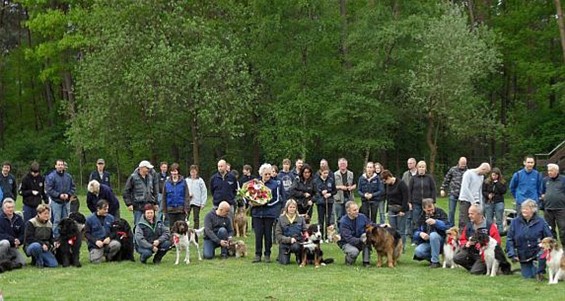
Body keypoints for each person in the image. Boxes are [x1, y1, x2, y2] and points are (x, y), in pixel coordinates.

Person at [506, 199, 552, 279]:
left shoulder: (541, 221)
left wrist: (545, 249)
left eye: (526, 209)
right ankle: (534, 270)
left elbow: (549, 238)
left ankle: (540, 270)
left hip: (538, 251)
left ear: (533, 210)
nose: (523, 210)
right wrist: (512, 254)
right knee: (528, 277)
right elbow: (509, 239)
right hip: (523, 254)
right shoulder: (514, 222)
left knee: (541, 259)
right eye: (522, 208)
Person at [453, 203, 501, 274]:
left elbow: (497, 243)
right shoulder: (469, 225)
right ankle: (475, 267)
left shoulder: (490, 226)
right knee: (457, 258)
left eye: (472, 214)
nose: (469, 216)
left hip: (484, 255)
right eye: (469, 214)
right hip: (470, 251)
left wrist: (482, 245)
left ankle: (482, 268)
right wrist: (466, 244)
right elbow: (462, 239)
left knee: (475, 272)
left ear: (479, 214)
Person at [251, 163, 284, 263]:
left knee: (268, 234)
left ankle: (267, 254)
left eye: (269, 174)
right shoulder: (255, 183)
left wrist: (266, 203)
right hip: (257, 213)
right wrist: (251, 202)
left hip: (269, 213)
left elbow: (277, 199)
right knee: (258, 234)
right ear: (261, 173)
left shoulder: (275, 184)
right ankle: (257, 254)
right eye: (266, 174)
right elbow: (249, 194)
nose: (268, 176)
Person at [413, 199, 449, 268]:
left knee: (433, 235)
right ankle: (434, 259)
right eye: (428, 210)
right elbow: (414, 232)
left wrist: (436, 222)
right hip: (428, 242)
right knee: (418, 251)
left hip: (441, 241)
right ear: (424, 209)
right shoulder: (421, 216)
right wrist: (420, 234)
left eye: (432, 209)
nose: (431, 212)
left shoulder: (440, 212)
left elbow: (447, 226)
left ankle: (434, 262)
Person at [45, 159, 76, 239]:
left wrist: (68, 194)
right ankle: (55, 237)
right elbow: (49, 189)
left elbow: (73, 187)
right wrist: (59, 195)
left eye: (61, 165)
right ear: (55, 166)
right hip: (56, 202)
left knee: (66, 220)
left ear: (64, 166)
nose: (60, 166)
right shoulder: (51, 176)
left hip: (66, 202)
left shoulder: (68, 176)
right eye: (58, 165)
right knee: (56, 220)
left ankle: (64, 236)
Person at [338, 201, 374, 266]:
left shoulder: (362, 217)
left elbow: (371, 225)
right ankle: (348, 261)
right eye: (354, 210)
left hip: (359, 239)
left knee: (367, 237)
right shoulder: (343, 222)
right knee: (354, 252)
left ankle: (366, 262)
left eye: (357, 209)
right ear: (348, 211)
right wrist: (361, 240)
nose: (357, 211)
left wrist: (382, 225)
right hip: (346, 243)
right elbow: (349, 239)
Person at [380, 170, 409, 251]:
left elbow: (406, 197)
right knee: (392, 229)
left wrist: (403, 210)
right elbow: (388, 198)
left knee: (401, 230)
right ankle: (393, 247)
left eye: (385, 181)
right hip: (391, 209)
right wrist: (387, 210)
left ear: (389, 177)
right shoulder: (388, 185)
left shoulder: (401, 183)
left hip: (401, 209)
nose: (385, 183)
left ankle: (401, 248)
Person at [123, 160, 157, 226]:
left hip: (149, 205)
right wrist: (129, 204)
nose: (148, 170)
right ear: (141, 168)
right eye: (147, 168)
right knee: (138, 225)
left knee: (151, 224)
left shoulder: (150, 177)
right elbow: (126, 191)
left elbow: (154, 191)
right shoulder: (133, 177)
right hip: (138, 207)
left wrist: (155, 203)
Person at [458, 162, 491, 229]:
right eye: (486, 172)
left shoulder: (481, 177)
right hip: (465, 200)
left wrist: (480, 203)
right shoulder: (468, 173)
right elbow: (465, 188)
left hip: (476, 201)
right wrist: (472, 202)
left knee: (476, 220)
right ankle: (463, 237)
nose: (485, 174)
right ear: (483, 168)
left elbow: (479, 190)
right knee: (464, 221)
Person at [275, 199, 307, 265]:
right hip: (285, 243)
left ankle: (298, 256)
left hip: (297, 242)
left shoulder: (301, 218)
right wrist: (289, 240)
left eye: (293, 207)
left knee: (296, 247)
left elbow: (305, 231)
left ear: (296, 208)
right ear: (287, 208)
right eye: (290, 207)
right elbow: (278, 235)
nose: (292, 209)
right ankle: (281, 254)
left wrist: (306, 235)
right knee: (284, 262)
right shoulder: (281, 219)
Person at [409, 161, 436, 235]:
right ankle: (415, 237)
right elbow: (409, 190)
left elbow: (433, 189)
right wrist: (410, 202)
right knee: (416, 220)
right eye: (420, 167)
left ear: (425, 168)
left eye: (423, 167)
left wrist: (433, 201)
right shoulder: (413, 178)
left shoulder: (429, 178)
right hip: (416, 203)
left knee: (427, 219)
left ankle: (428, 233)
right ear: (417, 168)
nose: (421, 168)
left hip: (427, 203)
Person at [541, 163, 565, 247]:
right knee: (550, 230)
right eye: (548, 170)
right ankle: (553, 248)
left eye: (551, 170)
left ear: (557, 171)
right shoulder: (545, 180)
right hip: (548, 209)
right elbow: (542, 192)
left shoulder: (563, 180)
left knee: (563, 230)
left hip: (561, 209)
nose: (549, 172)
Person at [440, 157, 468, 227]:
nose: (462, 165)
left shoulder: (468, 172)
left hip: (463, 195)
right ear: (458, 162)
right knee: (451, 211)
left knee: (463, 212)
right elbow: (446, 179)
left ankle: (462, 227)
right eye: (461, 164)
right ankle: (451, 226)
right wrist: (442, 189)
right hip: (453, 193)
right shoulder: (453, 169)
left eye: (464, 164)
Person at [0, 198, 26, 266]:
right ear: (3, 208)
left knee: (21, 263)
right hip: (2, 244)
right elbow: (1, 234)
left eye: (12, 207)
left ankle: (6, 262)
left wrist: (19, 241)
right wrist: (13, 240)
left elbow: (23, 233)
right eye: (8, 207)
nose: (10, 209)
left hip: (13, 246)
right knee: (5, 243)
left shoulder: (19, 218)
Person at [482, 167, 507, 232]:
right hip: (489, 202)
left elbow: (503, 191)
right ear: (491, 175)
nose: (494, 176)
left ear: (498, 175)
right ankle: (490, 232)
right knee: (489, 219)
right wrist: (488, 195)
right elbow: (483, 191)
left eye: (496, 175)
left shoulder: (502, 182)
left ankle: (500, 232)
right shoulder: (486, 181)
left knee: (499, 219)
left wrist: (497, 183)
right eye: (493, 175)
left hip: (499, 201)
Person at [314, 167, 336, 241]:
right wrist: (321, 193)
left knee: (328, 219)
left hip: (329, 202)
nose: (326, 175)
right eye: (324, 173)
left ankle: (327, 237)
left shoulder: (331, 180)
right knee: (321, 220)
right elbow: (315, 191)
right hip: (320, 202)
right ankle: (320, 237)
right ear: (321, 172)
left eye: (327, 173)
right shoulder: (316, 180)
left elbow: (334, 191)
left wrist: (329, 194)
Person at [334, 158, 356, 229]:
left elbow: (355, 184)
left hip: (349, 198)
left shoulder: (351, 174)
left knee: (350, 216)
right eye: (341, 164)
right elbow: (332, 186)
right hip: (338, 198)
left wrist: (351, 187)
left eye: (344, 164)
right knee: (339, 217)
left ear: (347, 164)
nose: (342, 165)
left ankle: (349, 231)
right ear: (338, 165)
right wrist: (341, 187)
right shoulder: (334, 174)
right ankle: (340, 232)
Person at [186, 165, 207, 230]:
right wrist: (188, 195)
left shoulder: (200, 180)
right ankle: (185, 229)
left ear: (196, 172)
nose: (193, 173)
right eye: (191, 172)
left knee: (196, 217)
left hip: (197, 201)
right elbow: (184, 190)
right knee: (186, 217)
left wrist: (203, 203)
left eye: (194, 172)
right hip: (188, 201)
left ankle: (196, 231)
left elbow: (204, 191)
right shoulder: (186, 180)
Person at [402, 158, 417, 244]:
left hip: (417, 199)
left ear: (415, 164)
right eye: (408, 163)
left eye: (411, 163)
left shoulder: (418, 173)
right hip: (408, 199)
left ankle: (415, 236)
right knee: (408, 218)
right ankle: (408, 234)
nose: (409, 165)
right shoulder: (405, 175)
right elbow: (403, 187)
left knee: (416, 219)